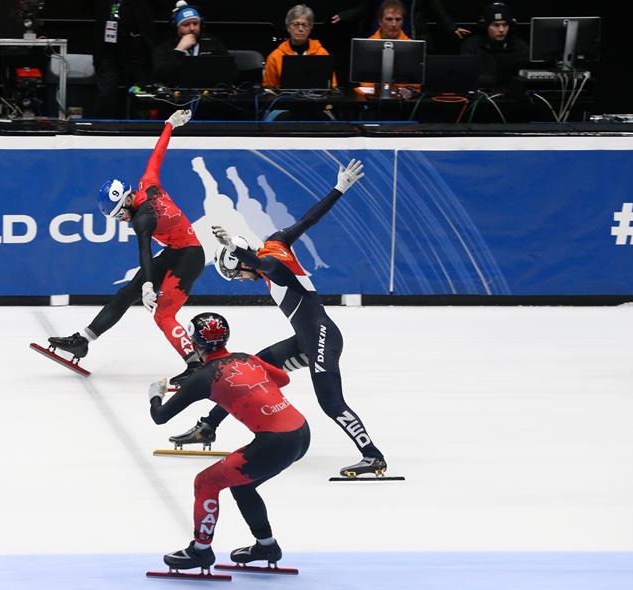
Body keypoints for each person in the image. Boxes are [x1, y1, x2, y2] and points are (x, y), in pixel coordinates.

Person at [172, 159, 389, 478]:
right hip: (306, 339)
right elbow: (308, 220)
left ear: (245, 264)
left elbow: (270, 269)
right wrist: (339, 188)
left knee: (331, 403)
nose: (243, 280)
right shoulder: (275, 241)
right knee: (245, 371)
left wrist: (237, 249)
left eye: (238, 274)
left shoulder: (272, 267)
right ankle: (208, 426)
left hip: (321, 338)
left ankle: (373, 456)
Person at [47, 109, 206, 386]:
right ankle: (83, 340)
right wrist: (169, 125)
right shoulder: (148, 184)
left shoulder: (143, 219)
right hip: (175, 251)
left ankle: (195, 364)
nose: (121, 220)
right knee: (125, 293)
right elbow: (157, 155)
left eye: (120, 214)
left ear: (128, 202)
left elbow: (144, 251)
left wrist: (148, 286)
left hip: (190, 256)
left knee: (164, 314)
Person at [149, 312, 309, 571]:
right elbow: (284, 379)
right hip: (301, 432)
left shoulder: (203, 377)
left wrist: (155, 395)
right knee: (242, 486)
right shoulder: (246, 358)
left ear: (193, 343)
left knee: (206, 482)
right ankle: (266, 545)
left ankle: (200, 551)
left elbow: (160, 416)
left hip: (276, 443)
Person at [91, 0, 158, 119]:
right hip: (108, 49)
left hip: (137, 49)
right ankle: (102, 128)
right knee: (106, 93)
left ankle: (141, 128)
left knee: (141, 93)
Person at [152, 1, 231, 87]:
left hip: (209, 94)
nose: (192, 28)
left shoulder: (213, 42)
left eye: (195, 23)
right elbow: (161, 76)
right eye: (186, 24)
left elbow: (231, 71)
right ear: (176, 27)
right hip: (177, 95)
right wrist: (179, 50)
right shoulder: (164, 47)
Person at [262, 4, 336, 89]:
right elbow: (268, 89)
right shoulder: (274, 57)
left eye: (304, 25)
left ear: (310, 28)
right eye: (296, 24)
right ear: (288, 27)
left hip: (317, 101)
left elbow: (332, 86)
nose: (300, 29)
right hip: (284, 101)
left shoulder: (322, 54)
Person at [459, 2, 528, 90]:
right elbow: (466, 75)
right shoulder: (471, 46)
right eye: (496, 25)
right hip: (483, 96)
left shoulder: (519, 45)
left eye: (505, 25)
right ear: (485, 26)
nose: (501, 30)